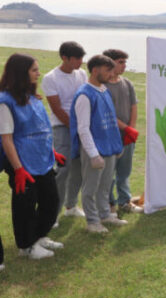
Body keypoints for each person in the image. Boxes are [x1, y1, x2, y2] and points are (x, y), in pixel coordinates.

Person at [0, 53, 64, 260]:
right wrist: (18, 169)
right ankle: (26, 245)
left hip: (42, 159)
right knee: (26, 205)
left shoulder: (32, 97)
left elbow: (41, 126)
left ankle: (39, 236)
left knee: (51, 200)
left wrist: (51, 151)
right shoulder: (5, 102)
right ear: (21, 73)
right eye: (34, 70)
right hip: (22, 162)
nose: (39, 73)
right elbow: (6, 138)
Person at [69, 54, 125, 232]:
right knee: (90, 187)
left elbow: (110, 121)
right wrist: (93, 154)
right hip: (95, 150)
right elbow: (83, 128)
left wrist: (117, 145)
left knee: (105, 184)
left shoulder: (104, 90)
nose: (111, 73)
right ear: (95, 70)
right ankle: (92, 221)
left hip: (109, 148)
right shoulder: (85, 95)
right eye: (108, 70)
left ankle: (105, 214)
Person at [41, 41, 87, 222]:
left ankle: (71, 205)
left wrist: (83, 128)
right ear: (64, 58)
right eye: (77, 59)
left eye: (82, 58)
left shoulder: (81, 74)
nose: (80, 62)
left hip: (81, 126)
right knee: (63, 169)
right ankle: (52, 213)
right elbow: (57, 109)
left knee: (78, 167)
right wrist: (76, 127)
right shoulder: (50, 78)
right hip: (62, 127)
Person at [102, 49, 142, 214]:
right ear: (110, 63)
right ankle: (109, 202)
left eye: (125, 62)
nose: (124, 65)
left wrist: (130, 129)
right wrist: (125, 128)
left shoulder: (127, 83)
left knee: (124, 171)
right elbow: (107, 114)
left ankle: (124, 201)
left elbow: (133, 106)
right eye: (121, 62)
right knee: (108, 171)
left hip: (127, 135)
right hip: (110, 136)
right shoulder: (103, 86)